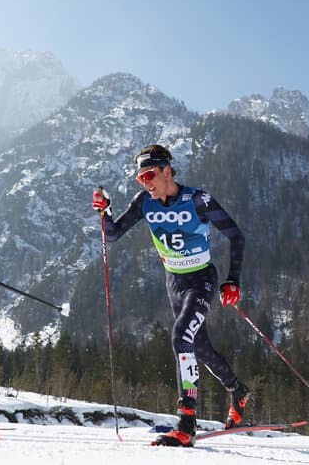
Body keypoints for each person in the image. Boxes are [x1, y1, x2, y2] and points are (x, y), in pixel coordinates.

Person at [91, 144, 250, 447]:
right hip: (174, 284)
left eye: (149, 174)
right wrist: (105, 210)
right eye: (140, 178)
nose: (145, 182)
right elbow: (112, 234)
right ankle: (238, 390)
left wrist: (233, 280)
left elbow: (235, 235)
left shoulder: (198, 200)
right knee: (198, 348)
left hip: (201, 280)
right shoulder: (143, 203)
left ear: (167, 171)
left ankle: (186, 424)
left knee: (180, 338)